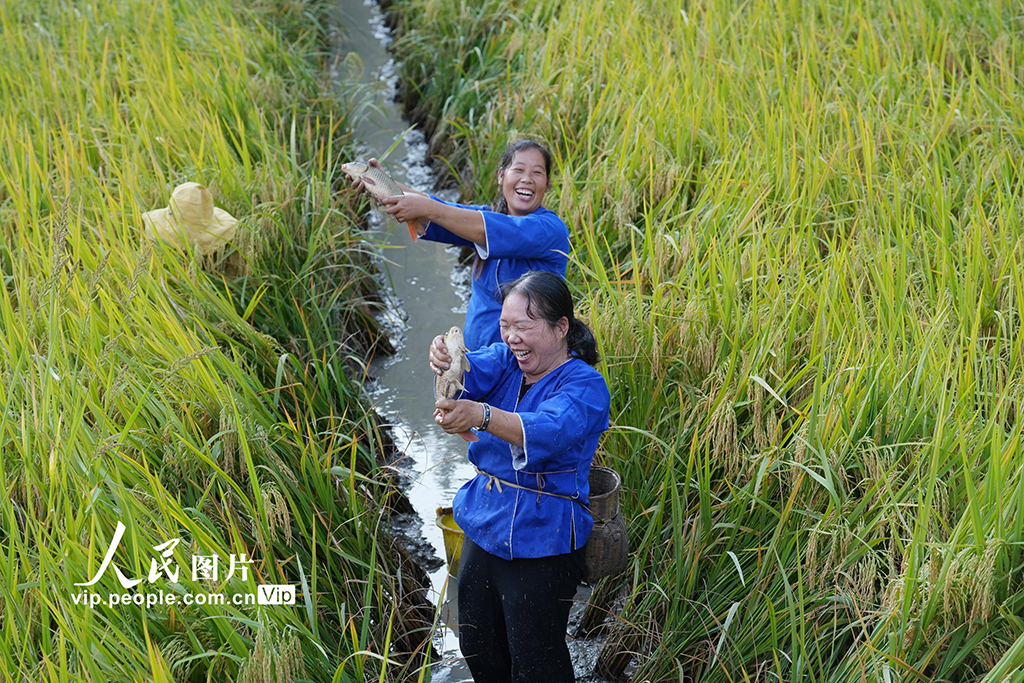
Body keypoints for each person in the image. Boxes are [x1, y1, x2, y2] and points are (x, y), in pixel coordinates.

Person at [428, 271, 610, 683]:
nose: (512, 337)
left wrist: (482, 415)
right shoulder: (506, 361)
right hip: (484, 521)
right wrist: (446, 358)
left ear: (561, 327)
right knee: (477, 641)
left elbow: (547, 429)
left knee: (535, 658)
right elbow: (470, 367)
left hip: (543, 535)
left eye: (524, 327)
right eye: (505, 325)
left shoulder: (585, 386)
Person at [353, 140, 570, 351]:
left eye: (537, 173)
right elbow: (445, 213)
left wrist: (426, 207)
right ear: (501, 176)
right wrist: (385, 186)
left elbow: (473, 223)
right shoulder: (488, 215)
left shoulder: (549, 230)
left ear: (548, 183)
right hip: (477, 364)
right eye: (519, 170)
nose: (527, 179)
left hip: (522, 364)